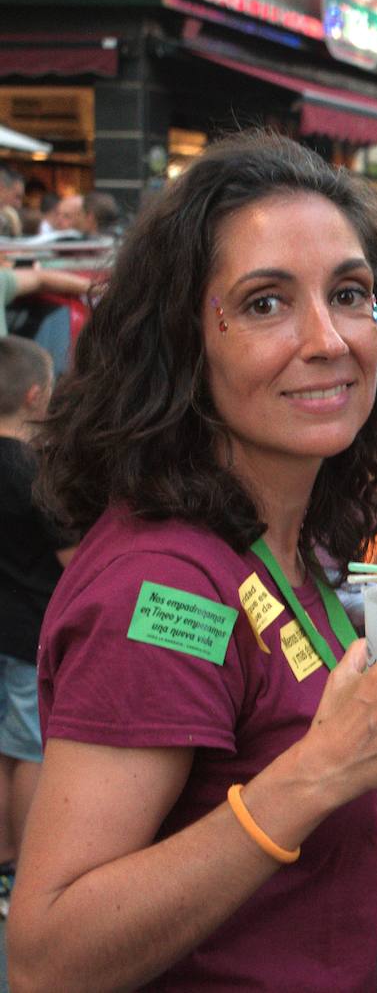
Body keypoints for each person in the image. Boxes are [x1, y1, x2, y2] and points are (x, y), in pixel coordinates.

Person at [6, 131, 377, 991]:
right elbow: (50, 956)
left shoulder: (283, 542)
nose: (329, 339)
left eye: (350, 294)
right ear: (183, 340)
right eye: (265, 304)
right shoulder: (162, 587)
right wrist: (322, 769)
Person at [0, 337, 74, 920]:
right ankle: (23, 864)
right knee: (28, 749)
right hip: (29, 629)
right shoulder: (36, 472)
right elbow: (72, 562)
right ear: (34, 396)